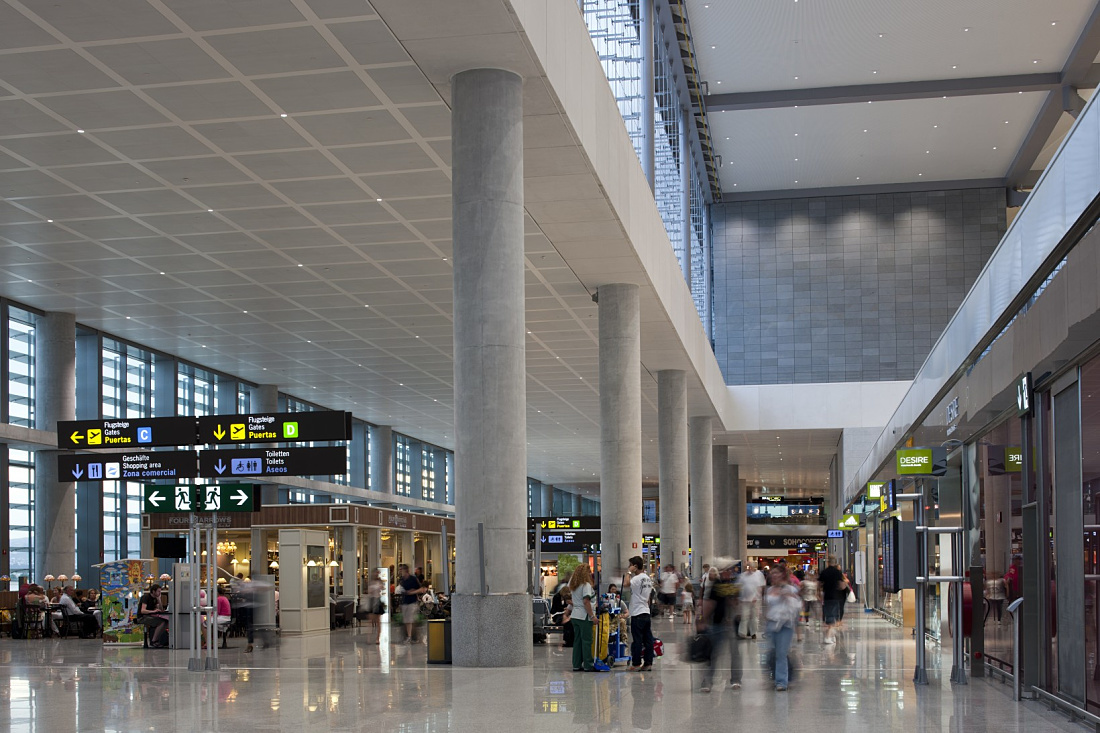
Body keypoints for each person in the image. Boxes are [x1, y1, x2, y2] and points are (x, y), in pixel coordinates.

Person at [699, 559, 742, 693]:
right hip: (717, 623)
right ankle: (707, 681)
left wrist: (736, 610)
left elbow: (737, 603)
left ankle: (736, 680)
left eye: (729, 570)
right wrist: (703, 620)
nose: (727, 573)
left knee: (735, 653)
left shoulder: (735, 585)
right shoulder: (715, 585)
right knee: (713, 653)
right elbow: (710, 603)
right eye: (724, 571)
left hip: (731, 624)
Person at [764, 565, 801, 691]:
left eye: (776, 573)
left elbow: (796, 606)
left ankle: (781, 681)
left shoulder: (790, 589)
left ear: (782, 575)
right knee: (773, 652)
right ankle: (776, 676)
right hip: (771, 623)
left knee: (781, 653)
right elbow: (768, 606)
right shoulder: (769, 590)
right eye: (772, 573)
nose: (774, 575)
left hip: (785, 625)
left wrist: (787, 597)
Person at [626, 555, 655, 671]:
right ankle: (648, 663)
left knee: (637, 640)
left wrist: (629, 572)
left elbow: (626, 584)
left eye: (630, 565)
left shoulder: (636, 579)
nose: (629, 567)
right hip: (646, 611)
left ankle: (636, 663)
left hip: (637, 613)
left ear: (635, 566)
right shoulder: (648, 578)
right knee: (648, 640)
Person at [569, 563, 598, 672]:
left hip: (575, 615)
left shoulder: (574, 585)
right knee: (586, 641)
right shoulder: (586, 585)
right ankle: (588, 665)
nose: (590, 574)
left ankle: (576, 664)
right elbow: (586, 601)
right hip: (584, 616)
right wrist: (592, 616)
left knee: (577, 641)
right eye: (589, 571)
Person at [818, 557, 846, 644]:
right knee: (833, 616)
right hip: (835, 596)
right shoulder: (837, 572)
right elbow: (841, 585)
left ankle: (831, 635)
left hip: (826, 596)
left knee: (828, 615)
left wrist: (818, 594)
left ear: (828, 562)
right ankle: (828, 636)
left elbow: (819, 584)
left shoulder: (824, 572)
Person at [396, 564, 425, 643]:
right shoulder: (402, 580)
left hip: (412, 601)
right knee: (406, 620)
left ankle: (411, 636)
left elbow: (421, 589)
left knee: (410, 620)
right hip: (405, 602)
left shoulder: (413, 579)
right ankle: (410, 636)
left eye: (401, 570)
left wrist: (411, 592)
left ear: (405, 570)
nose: (400, 571)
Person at [737, 563, 765, 639]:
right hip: (745, 600)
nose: (749, 568)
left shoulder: (758, 575)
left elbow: (760, 587)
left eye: (750, 567)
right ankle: (742, 633)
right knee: (744, 616)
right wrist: (740, 598)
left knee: (754, 618)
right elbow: (739, 586)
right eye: (748, 567)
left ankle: (753, 633)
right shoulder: (742, 576)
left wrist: (757, 596)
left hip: (755, 600)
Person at [550, 584, 574, 648]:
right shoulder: (557, 597)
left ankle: (569, 640)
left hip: (565, 614)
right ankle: (568, 640)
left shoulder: (568, 598)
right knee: (567, 623)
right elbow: (554, 609)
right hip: (557, 614)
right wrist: (564, 609)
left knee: (569, 623)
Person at [366, 569, 385, 641]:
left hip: (377, 599)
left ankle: (378, 638)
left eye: (377, 573)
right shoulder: (371, 582)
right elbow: (369, 591)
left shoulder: (380, 581)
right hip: (372, 600)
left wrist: (380, 587)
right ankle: (369, 637)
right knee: (370, 620)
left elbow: (382, 588)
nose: (376, 574)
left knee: (378, 621)